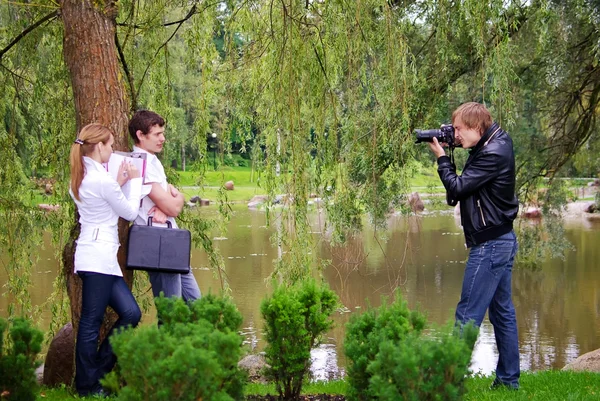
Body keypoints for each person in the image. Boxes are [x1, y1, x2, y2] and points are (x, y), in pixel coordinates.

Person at [427, 102, 520, 390]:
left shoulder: (491, 153)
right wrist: (455, 146)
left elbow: (456, 188)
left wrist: (443, 158)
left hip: (490, 245)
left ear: (477, 127)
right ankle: (507, 382)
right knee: (503, 313)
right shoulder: (495, 141)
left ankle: (448, 385)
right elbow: (466, 187)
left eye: (458, 129)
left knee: (467, 314)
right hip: (501, 240)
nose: (455, 135)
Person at [69, 123, 143, 397]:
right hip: (97, 259)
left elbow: (104, 201)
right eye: (110, 145)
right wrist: (134, 180)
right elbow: (130, 212)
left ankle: (98, 373)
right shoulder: (98, 180)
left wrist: (119, 183)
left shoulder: (85, 176)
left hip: (102, 259)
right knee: (91, 322)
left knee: (131, 313)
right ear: (99, 146)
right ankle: (88, 387)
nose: (112, 149)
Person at [128, 110, 201, 302]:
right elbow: (174, 208)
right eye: (157, 134)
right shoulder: (140, 164)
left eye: (163, 133)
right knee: (172, 308)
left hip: (169, 239)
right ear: (140, 135)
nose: (163, 138)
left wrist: (171, 200)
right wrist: (175, 200)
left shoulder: (153, 161)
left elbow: (169, 198)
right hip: (157, 243)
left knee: (195, 304)